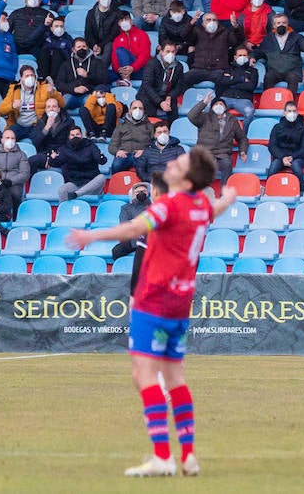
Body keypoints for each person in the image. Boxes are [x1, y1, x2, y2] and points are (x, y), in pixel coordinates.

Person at [64, 147, 238, 475]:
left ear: (186, 178)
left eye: (180, 163)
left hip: (154, 298)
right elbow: (216, 207)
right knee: (174, 376)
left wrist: (91, 234)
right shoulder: (200, 205)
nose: (172, 163)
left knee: (143, 375)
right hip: (180, 303)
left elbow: (133, 230)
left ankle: (162, 456)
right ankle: (187, 454)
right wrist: (228, 198)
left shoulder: (169, 206)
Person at [187, 95, 247, 182]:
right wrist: (204, 102)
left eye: (221, 104)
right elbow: (191, 116)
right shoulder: (204, 117)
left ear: (225, 108)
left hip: (223, 155)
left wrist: (243, 151)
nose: (219, 105)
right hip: (206, 154)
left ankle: (224, 194)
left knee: (227, 165)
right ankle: (203, 192)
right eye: (216, 104)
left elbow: (242, 138)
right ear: (212, 108)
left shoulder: (232, 120)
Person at [50, 125, 108, 201]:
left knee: (102, 177)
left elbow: (102, 161)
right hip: (75, 183)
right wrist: (52, 157)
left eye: (77, 134)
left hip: (92, 184)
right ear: (69, 137)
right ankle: (63, 211)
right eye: (72, 135)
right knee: (62, 190)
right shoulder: (64, 149)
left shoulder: (91, 145)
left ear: (82, 135)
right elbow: (54, 163)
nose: (75, 137)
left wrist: (100, 156)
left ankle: (77, 194)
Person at [268, 102, 304, 180]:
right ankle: (268, 189)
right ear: (284, 113)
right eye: (289, 111)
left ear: (297, 113)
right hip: (281, 157)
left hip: (299, 157)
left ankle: (301, 190)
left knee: (296, 165)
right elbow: (272, 146)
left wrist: (292, 157)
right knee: (274, 165)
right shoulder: (277, 127)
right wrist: (282, 157)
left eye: (294, 111)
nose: (292, 113)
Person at [0, 130, 30, 207]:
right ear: (2, 140)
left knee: (15, 194)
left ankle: (15, 217)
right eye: (7, 138)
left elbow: (25, 174)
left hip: (14, 184)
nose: (10, 140)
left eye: (13, 138)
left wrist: (10, 181)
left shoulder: (21, 155)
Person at [108, 102, 154, 174]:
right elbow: (112, 145)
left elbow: (155, 144)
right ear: (130, 111)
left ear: (144, 111)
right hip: (125, 154)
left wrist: (145, 151)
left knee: (144, 167)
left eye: (140, 108)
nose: (137, 110)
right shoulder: (121, 126)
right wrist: (117, 152)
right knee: (116, 165)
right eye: (134, 108)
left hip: (141, 154)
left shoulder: (150, 126)